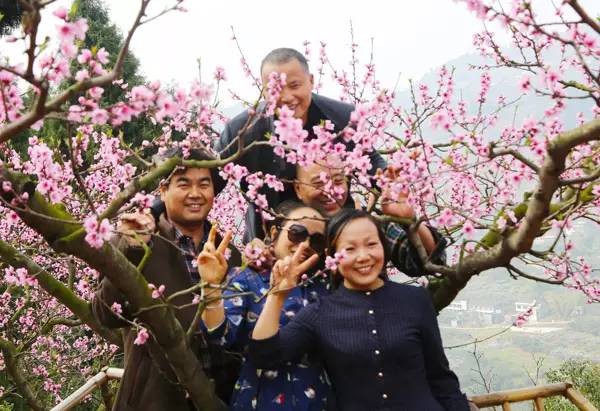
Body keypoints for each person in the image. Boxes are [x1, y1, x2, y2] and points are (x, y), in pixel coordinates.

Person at [250, 208, 470, 411]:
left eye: (371, 244)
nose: (363, 256)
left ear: (383, 246)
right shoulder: (320, 313)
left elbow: (441, 378)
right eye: (350, 248)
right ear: (333, 256)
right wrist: (277, 296)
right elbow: (265, 356)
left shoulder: (415, 299)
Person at [91, 147, 242, 411]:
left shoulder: (228, 252)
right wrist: (132, 250)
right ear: (163, 190)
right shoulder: (139, 240)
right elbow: (104, 314)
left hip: (219, 398)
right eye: (184, 184)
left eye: (204, 185)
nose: (195, 194)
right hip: (156, 400)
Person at [215, 47, 387, 242]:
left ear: (311, 81)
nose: (287, 97)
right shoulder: (242, 131)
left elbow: (371, 161)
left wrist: (387, 180)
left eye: (294, 85)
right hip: (269, 241)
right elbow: (209, 181)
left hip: (336, 235)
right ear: (263, 91)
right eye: (275, 90)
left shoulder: (342, 118)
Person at [198, 201, 332, 410]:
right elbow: (220, 335)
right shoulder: (247, 278)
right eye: (297, 233)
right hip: (259, 399)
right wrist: (211, 288)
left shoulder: (325, 288)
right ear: (274, 232)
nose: (305, 245)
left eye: (316, 240)